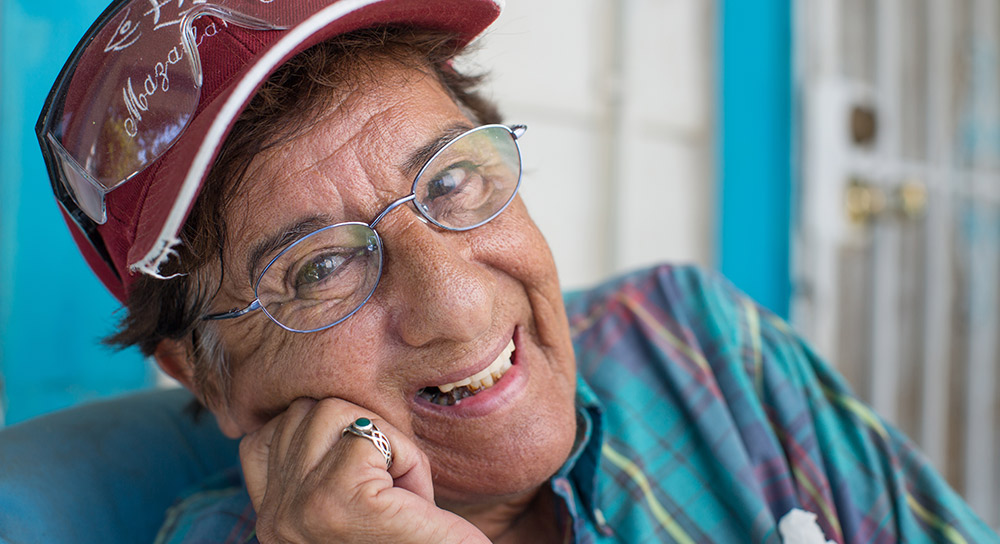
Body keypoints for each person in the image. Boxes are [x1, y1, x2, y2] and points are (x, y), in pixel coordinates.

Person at [37, 0, 998, 542]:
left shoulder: (691, 340)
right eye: (321, 265)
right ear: (206, 373)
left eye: (452, 179)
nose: (457, 311)